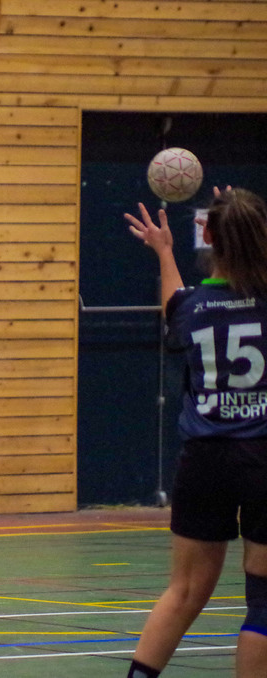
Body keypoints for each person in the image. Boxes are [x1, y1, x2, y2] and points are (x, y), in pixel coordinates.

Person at [125, 187, 267, 677]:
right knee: (263, 601)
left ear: (209, 238)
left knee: (184, 592)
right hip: (263, 458)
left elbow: (173, 301)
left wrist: (164, 251)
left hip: (205, 461)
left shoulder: (191, 307)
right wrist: (240, 214)